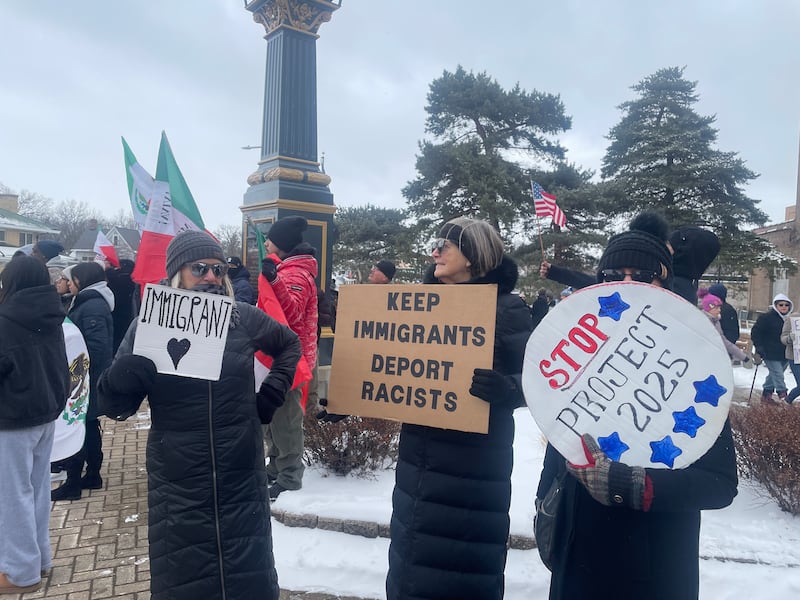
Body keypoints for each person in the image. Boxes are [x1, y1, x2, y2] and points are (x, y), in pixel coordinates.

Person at [536, 211, 738, 600]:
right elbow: (562, 437)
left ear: (665, 281)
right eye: (613, 276)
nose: (627, 285)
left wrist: (638, 487)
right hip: (578, 556)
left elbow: (720, 483)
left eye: (642, 276)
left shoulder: (693, 362)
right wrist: (545, 505)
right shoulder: (581, 357)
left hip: (653, 565)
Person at [97, 230, 301, 600]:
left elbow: (290, 344)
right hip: (179, 485)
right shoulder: (149, 324)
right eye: (199, 268)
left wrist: (272, 391)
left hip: (241, 479)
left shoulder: (241, 318)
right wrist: (119, 379)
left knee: (248, 580)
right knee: (186, 583)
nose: (211, 277)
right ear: (177, 273)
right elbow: (114, 407)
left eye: (218, 270)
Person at [385, 217, 533, 600]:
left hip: (474, 467)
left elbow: (537, 381)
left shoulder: (508, 309)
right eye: (435, 245)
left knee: (461, 567)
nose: (434, 252)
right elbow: (393, 366)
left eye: (444, 245)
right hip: (418, 461)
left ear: (472, 256)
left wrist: (507, 390)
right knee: (411, 563)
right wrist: (348, 399)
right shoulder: (421, 306)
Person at [0, 256, 70, 594]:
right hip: (45, 415)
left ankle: (18, 572)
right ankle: (39, 558)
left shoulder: (6, 319)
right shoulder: (53, 314)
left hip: (11, 419)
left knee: (11, 496)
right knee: (37, 491)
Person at [260, 216, 318, 500]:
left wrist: (273, 280)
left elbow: (292, 316)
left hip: (290, 360)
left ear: (281, 244)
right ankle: (275, 468)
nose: (266, 243)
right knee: (274, 417)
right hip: (280, 356)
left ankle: (290, 477)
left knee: (286, 420)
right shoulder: (288, 270)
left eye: (269, 239)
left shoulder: (295, 274)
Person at [51, 262, 114, 501]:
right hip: (85, 376)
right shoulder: (87, 302)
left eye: (72, 279)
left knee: (80, 425)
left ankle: (75, 482)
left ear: (82, 280)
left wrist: (78, 369)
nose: (68, 283)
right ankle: (90, 475)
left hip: (86, 378)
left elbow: (96, 347)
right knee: (86, 425)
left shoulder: (93, 306)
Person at [751, 294, 793, 403]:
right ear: (775, 305)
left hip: (785, 353)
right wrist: (759, 346)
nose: (784, 307)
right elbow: (756, 332)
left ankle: (766, 395)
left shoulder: (791, 319)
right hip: (769, 352)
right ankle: (783, 396)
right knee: (778, 374)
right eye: (781, 304)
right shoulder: (766, 318)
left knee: (774, 375)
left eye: (786, 305)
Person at [697, 288, 751, 367]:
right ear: (708, 309)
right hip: (702, 358)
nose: (719, 310)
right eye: (716, 308)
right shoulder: (702, 321)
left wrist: (742, 356)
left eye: (719, 307)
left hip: (714, 356)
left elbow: (724, 341)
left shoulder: (716, 321)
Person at [105, 258, 137, 354]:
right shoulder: (134, 282)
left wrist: (108, 271)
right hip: (128, 317)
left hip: (115, 317)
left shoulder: (116, 280)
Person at [780, 308, 800, 404]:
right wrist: (789, 338)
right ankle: (787, 401)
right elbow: (783, 337)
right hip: (795, 356)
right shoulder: (793, 318)